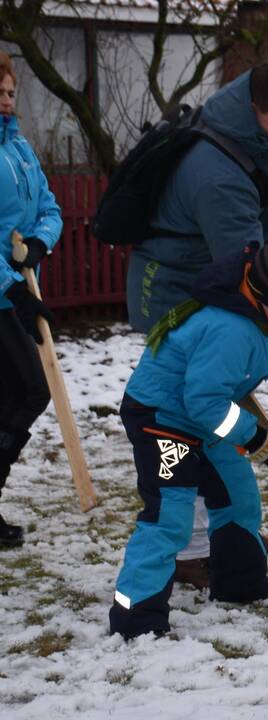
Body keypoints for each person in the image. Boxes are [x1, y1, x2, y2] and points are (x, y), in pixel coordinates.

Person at [124, 62, 268, 585]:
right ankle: (189, 549)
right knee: (188, 422)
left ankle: (234, 534)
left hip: (223, 293)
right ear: (253, 111)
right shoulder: (215, 174)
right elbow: (260, 282)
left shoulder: (259, 144)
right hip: (180, 299)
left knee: (214, 421)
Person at [109, 239, 268, 639]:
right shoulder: (231, 329)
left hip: (200, 419)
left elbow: (216, 397)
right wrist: (254, 437)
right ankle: (135, 617)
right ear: (259, 296)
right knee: (170, 514)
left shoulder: (256, 319)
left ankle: (240, 584)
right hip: (162, 419)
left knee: (237, 493)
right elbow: (203, 401)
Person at [0, 52, 62, 547]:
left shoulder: (19, 147)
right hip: (4, 296)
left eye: (9, 93)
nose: (5, 102)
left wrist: (40, 242)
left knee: (12, 397)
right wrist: (11, 286)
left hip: (18, 290)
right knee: (31, 391)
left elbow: (49, 207)